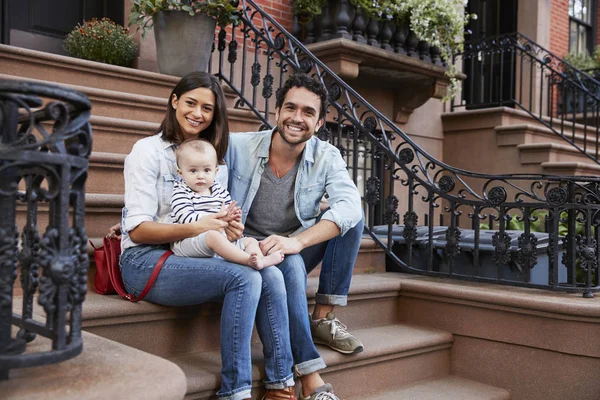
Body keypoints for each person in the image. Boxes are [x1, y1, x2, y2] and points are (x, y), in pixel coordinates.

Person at [116, 71, 296, 400]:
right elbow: (139, 231)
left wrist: (230, 227)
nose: (198, 113)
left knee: (268, 272)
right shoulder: (147, 152)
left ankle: (281, 384)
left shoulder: (214, 160)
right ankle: (235, 392)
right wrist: (204, 227)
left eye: (208, 108)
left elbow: (216, 218)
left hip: (195, 253)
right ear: (173, 101)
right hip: (145, 260)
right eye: (190, 103)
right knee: (245, 278)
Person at [225, 73, 365, 400]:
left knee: (350, 218)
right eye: (291, 108)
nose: (297, 118)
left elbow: (349, 206)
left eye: (308, 113)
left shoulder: (326, 155)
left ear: (318, 124)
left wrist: (297, 242)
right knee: (287, 267)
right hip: (245, 249)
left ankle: (323, 316)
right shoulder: (238, 147)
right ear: (276, 112)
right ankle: (311, 379)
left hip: (291, 245)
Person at [170, 138, 284, 270]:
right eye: (193, 171)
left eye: (206, 170)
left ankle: (261, 260)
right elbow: (185, 218)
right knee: (213, 236)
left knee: (250, 241)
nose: (200, 176)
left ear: (215, 172)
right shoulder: (181, 192)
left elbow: (228, 210)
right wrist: (217, 220)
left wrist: (233, 217)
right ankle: (247, 260)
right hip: (189, 241)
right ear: (181, 173)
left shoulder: (219, 190)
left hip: (220, 237)